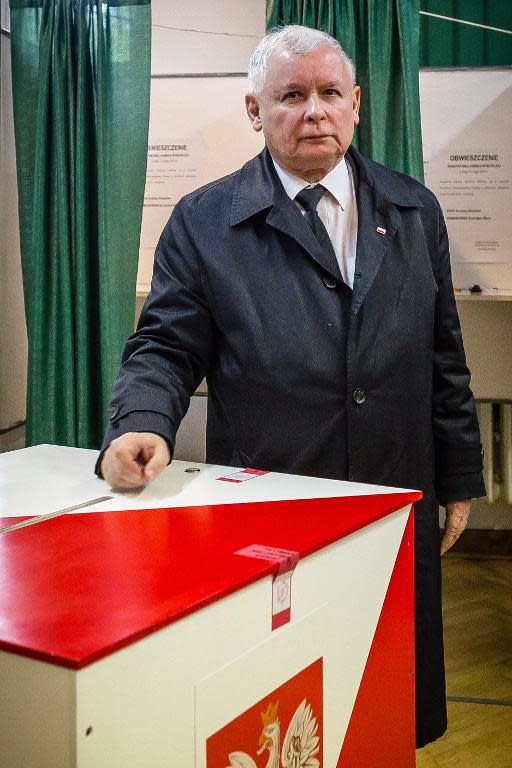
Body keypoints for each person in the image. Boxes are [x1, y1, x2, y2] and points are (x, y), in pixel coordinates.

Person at [97, 25, 485, 747]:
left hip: (392, 490)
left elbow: (442, 355)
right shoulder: (204, 221)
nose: (314, 111)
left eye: (330, 93)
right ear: (255, 110)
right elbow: (166, 345)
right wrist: (141, 420)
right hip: (272, 505)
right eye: (291, 96)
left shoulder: (413, 209)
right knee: (282, 712)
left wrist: (458, 474)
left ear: (357, 104)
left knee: (383, 700)